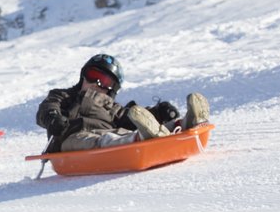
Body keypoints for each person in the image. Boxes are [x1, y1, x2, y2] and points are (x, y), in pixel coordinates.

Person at [36, 53, 210, 153]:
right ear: (83, 76)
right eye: (94, 77)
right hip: (71, 138)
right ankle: (140, 138)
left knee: (126, 128)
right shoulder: (64, 96)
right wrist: (53, 118)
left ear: (112, 90)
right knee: (101, 139)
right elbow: (48, 107)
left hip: (112, 133)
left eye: (105, 82)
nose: (97, 85)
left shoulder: (111, 106)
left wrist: (158, 113)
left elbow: (130, 117)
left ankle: (186, 123)